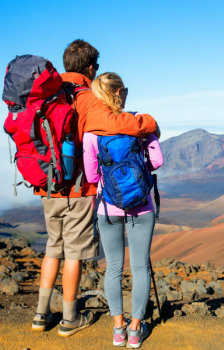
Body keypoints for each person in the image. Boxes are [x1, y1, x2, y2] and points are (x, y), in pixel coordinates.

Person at [32, 39, 160, 337]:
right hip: (76, 188)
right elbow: (117, 123)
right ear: (90, 68)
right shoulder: (87, 97)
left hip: (46, 184)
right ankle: (68, 318)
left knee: (53, 248)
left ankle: (40, 314)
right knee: (74, 252)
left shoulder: (47, 94)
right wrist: (150, 121)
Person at [83, 72, 163, 348]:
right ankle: (136, 329)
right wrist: (138, 172)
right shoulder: (140, 124)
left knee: (113, 268)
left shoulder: (91, 132)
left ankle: (118, 328)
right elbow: (158, 161)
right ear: (118, 93)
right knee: (140, 267)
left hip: (108, 207)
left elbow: (92, 176)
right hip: (142, 207)